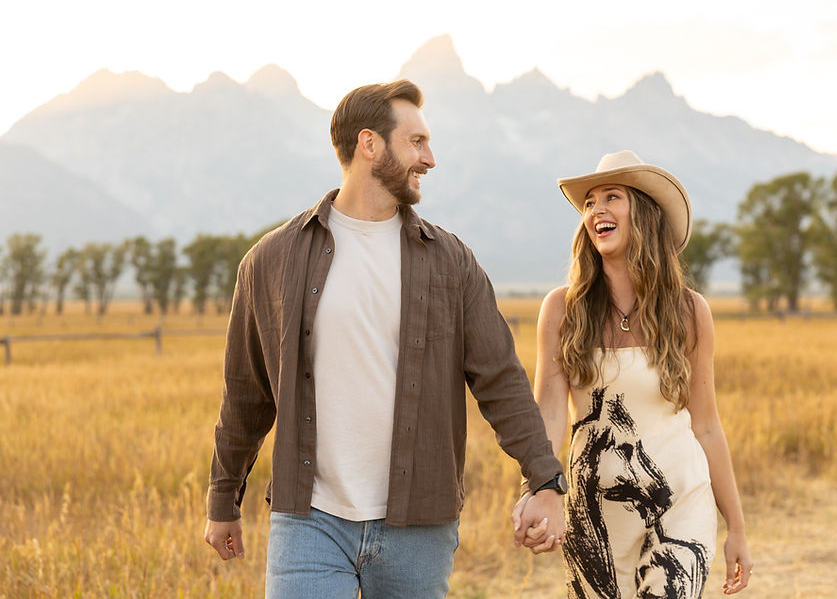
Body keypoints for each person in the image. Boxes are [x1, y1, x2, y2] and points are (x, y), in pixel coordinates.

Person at [203, 79, 566, 598]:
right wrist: (223, 501)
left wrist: (546, 481)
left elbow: (502, 382)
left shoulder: (450, 261)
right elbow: (245, 393)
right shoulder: (270, 261)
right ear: (368, 144)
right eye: (416, 142)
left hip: (418, 524)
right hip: (310, 521)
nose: (431, 158)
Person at [514, 150, 752, 597]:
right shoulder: (562, 310)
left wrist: (736, 527)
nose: (596, 210)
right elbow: (549, 411)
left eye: (611, 197)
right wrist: (537, 487)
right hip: (594, 509)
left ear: (642, 212)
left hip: (681, 498)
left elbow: (706, 424)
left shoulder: (690, 311)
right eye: (589, 203)